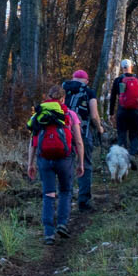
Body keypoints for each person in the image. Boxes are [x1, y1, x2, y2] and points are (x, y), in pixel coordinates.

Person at [24, 91, 83, 245]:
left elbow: (33, 142)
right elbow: (78, 141)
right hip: (65, 159)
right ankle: (62, 224)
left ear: (48, 97)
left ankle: (48, 232)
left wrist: (30, 163)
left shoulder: (39, 114)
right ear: (63, 98)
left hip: (44, 159)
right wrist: (81, 163)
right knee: (65, 191)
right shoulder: (69, 114)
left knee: (48, 194)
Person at [59, 69, 104, 211]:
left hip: (62, 133)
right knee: (85, 164)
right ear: (87, 80)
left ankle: (64, 200)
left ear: (72, 78)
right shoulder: (89, 92)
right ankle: (83, 202)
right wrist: (99, 128)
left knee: (66, 165)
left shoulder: (62, 90)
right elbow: (94, 115)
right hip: (83, 132)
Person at [107, 58, 138, 157]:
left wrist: (111, 113)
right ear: (131, 67)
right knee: (134, 135)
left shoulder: (118, 80)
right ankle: (132, 156)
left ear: (122, 68)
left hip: (122, 112)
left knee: (122, 136)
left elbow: (112, 98)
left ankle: (121, 158)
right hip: (135, 112)